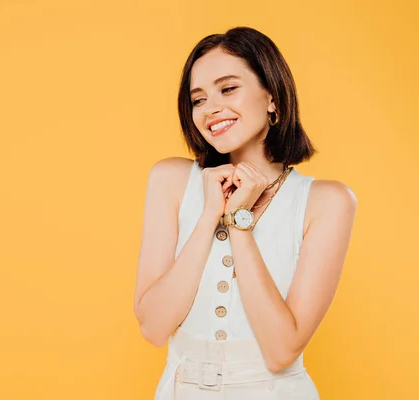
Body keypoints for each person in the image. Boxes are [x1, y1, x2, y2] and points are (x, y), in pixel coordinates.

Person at [133, 26, 357, 399]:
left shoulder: (326, 201)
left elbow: (281, 350)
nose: (211, 109)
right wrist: (209, 216)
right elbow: (154, 328)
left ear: (272, 96)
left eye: (228, 88)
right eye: (198, 99)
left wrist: (239, 221)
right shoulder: (171, 180)